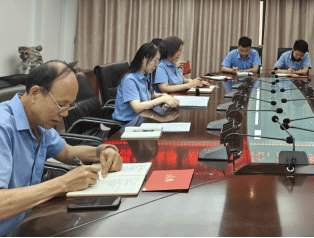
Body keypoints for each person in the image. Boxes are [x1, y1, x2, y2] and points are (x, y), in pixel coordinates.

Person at [0, 61, 124, 236]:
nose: (65, 113)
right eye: (61, 104)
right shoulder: (3, 127)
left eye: (69, 106)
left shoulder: (39, 122)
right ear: (35, 93)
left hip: (26, 222)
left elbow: (67, 152)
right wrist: (64, 183)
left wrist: (103, 151)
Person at [112, 43, 180, 122]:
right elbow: (137, 107)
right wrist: (162, 99)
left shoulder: (146, 75)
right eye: (155, 61)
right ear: (143, 59)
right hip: (128, 123)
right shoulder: (130, 80)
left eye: (158, 62)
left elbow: (152, 95)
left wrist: (163, 95)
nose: (156, 65)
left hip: (143, 117)